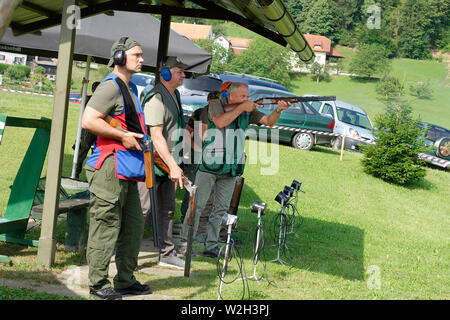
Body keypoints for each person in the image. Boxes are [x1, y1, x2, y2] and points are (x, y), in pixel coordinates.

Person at [180, 81, 291, 258]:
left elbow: (268, 121)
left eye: (247, 97)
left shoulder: (249, 110)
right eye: (243, 96)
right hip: (210, 165)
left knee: (220, 210)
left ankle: (211, 245)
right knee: (197, 206)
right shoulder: (216, 104)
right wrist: (241, 108)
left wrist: (278, 110)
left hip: (232, 167)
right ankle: (186, 244)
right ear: (231, 96)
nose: (246, 100)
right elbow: (220, 121)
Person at [81, 37, 150, 300]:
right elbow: (89, 120)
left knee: (133, 226)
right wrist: (121, 137)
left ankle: (125, 280)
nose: (142, 59)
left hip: (127, 168)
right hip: (109, 166)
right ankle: (98, 285)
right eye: (137, 54)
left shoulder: (128, 86)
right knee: (106, 225)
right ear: (120, 57)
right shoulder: (110, 87)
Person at [140, 56, 188, 270]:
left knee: (167, 209)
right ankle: (127, 255)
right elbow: (156, 136)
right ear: (166, 74)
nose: (183, 75)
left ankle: (166, 253)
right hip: (152, 163)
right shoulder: (156, 98)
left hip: (169, 162)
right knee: (142, 209)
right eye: (179, 71)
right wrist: (173, 165)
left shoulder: (174, 94)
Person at [72, 81, 100, 179]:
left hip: (98, 130)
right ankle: (75, 173)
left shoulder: (103, 100)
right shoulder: (89, 99)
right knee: (82, 152)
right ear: (93, 90)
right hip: (87, 130)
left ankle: (95, 175)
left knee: (96, 153)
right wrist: (84, 84)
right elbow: (82, 95)